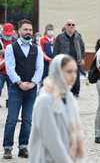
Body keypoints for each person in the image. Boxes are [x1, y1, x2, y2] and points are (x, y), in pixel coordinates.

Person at [29, 54, 84, 163]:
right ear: (57, 72)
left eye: (75, 71)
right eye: (69, 72)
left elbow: (76, 131)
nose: (73, 76)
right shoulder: (45, 100)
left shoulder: (69, 98)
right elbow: (51, 139)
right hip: (46, 158)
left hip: (70, 156)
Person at [2, 19, 44, 159]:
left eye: (30, 30)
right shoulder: (10, 48)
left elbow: (40, 68)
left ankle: (23, 147)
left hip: (31, 89)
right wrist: (20, 82)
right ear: (19, 31)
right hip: (16, 88)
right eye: (25, 29)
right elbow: (10, 67)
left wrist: (32, 83)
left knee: (27, 120)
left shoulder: (36, 48)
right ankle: (7, 148)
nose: (28, 32)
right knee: (12, 119)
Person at [54, 19, 85, 97]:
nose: (71, 26)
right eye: (69, 24)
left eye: (73, 25)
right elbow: (56, 50)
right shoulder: (60, 37)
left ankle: (76, 93)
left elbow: (82, 48)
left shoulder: (78, 37)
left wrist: (83, 58)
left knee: (76, 79)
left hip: (76, 62)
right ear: (65, 26)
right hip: (64, 63)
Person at [0, 23, 16, 108]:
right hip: (1, 70)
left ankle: (9, 103)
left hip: (10, 71)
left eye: (9, 34)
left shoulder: (15, 40)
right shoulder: (0, 40)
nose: (8, 36)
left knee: (12, 90)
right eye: (6, 34)